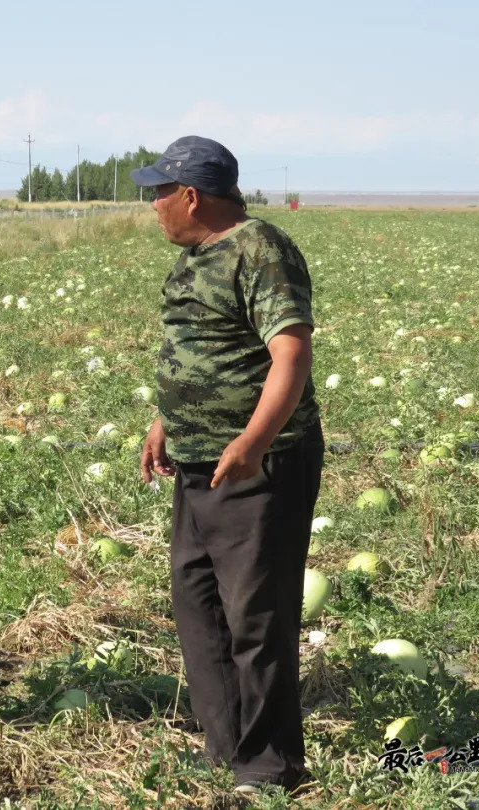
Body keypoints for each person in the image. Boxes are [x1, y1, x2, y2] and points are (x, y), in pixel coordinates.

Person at [134, 136, 323, 796]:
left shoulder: (259, 248)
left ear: (191, 195)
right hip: (196, 465)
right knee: (200, 607)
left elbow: (289, 355)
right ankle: (226, 751)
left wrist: (251, 443)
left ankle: (271, 767)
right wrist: (166, 420)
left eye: (158, 192)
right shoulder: (192, 259)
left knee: (256, 617)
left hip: (255, 467)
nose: (152, 204)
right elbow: (197, 349)